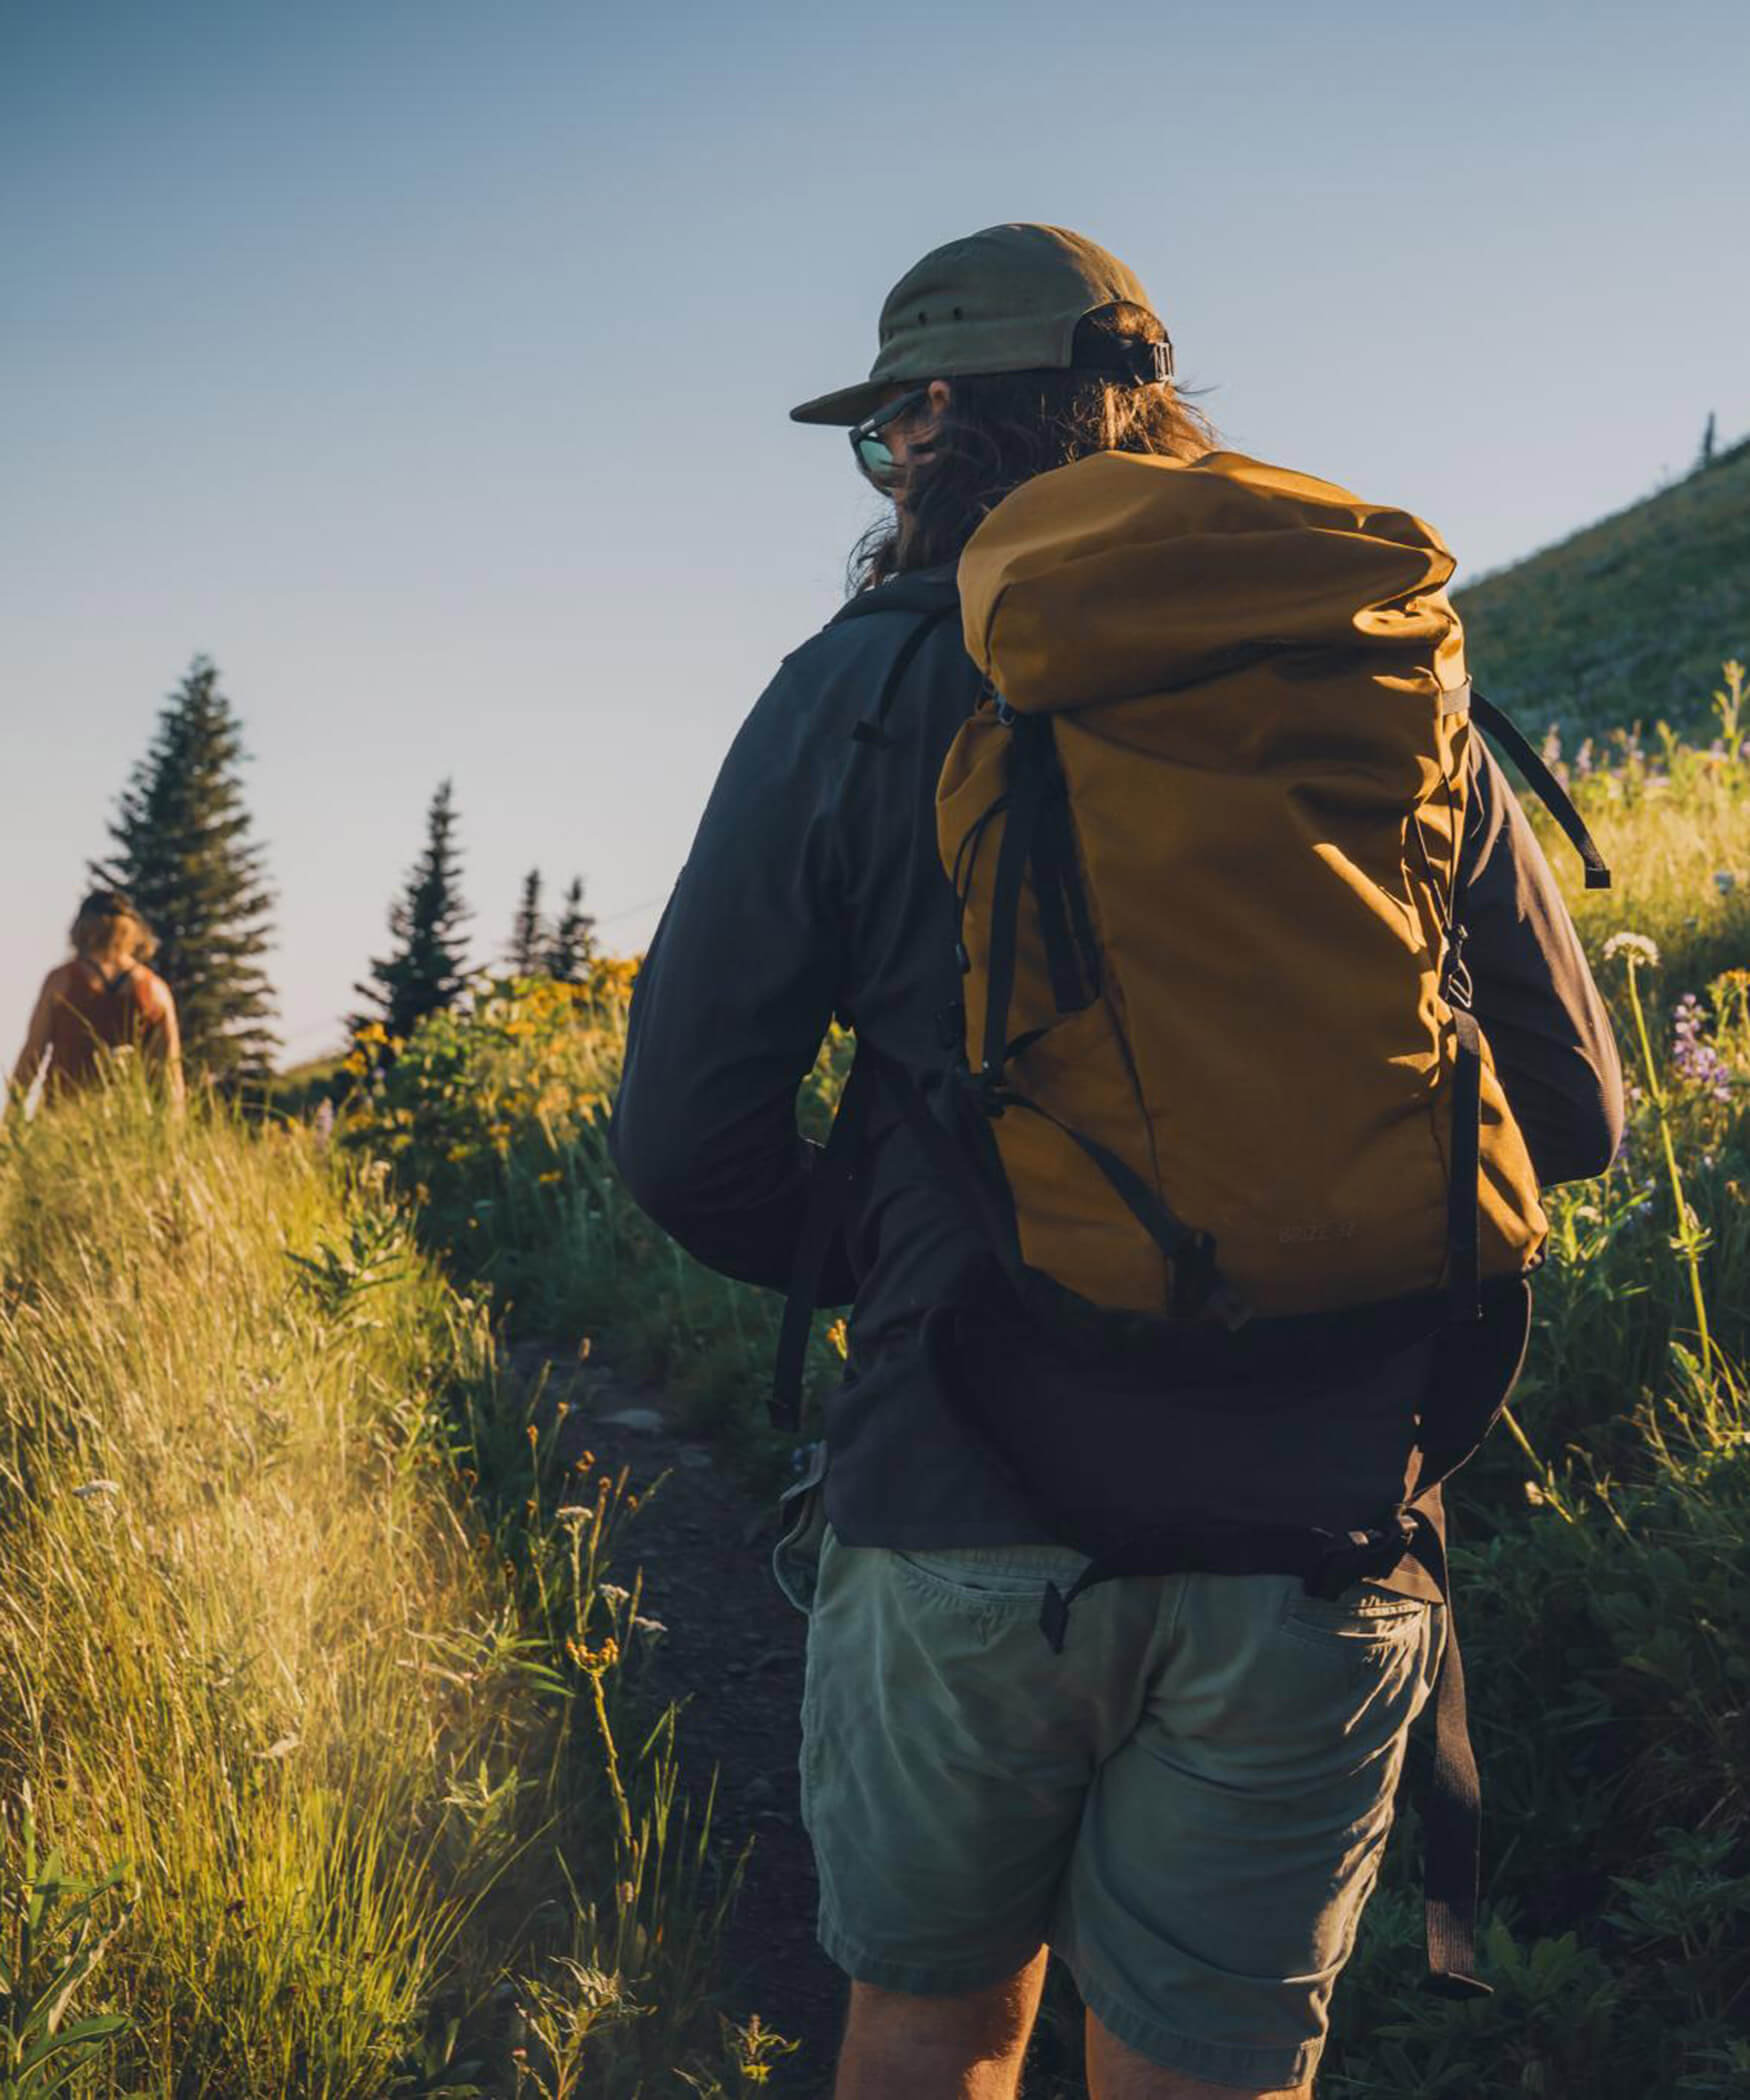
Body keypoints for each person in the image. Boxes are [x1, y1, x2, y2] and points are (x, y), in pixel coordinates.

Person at [611, 225, 1623, 2100]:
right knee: (1207, 2067)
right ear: (1150, 401)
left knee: (935, 2026)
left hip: (967, 1484)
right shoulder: (1376, 672)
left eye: (884, 440)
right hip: (1324, 1522)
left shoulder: (864, 684)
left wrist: (913, 1252)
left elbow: (684, 1136)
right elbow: (1575, 1115)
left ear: (930, 426)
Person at [10, 888, 183, 1109]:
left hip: (61, 1117)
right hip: (129, 1120)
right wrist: (174, 1131)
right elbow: (170, 1072)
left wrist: (11, 1117)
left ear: (81, 929)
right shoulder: (156, 989)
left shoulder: (62, 981)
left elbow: (32, 1054)